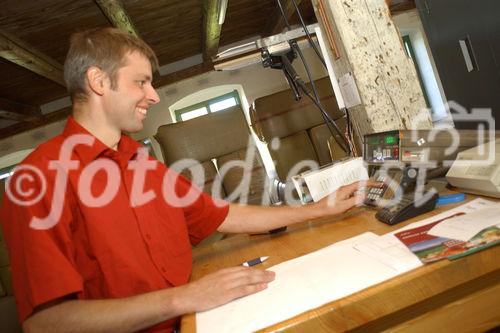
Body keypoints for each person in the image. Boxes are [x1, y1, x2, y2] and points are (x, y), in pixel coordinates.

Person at [0, 28, 378, 333]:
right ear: (98, 81)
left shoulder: (140, 162)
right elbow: (46, 322)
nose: (153, 94)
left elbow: (222, 214)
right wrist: (185, 298)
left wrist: (319, 209)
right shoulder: (41, 177)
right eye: (141, 82)